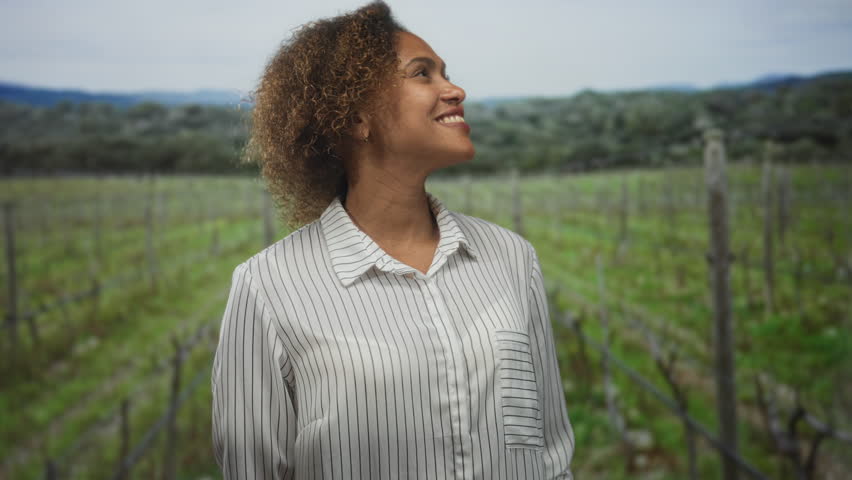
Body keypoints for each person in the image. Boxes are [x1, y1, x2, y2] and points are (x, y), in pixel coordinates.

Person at [211, 1, 575, 478]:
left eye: (445, 72)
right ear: (356, 118)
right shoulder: (268, 286)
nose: (455, 90)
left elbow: (547, 451)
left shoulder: (511, 257)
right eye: (422, 74)